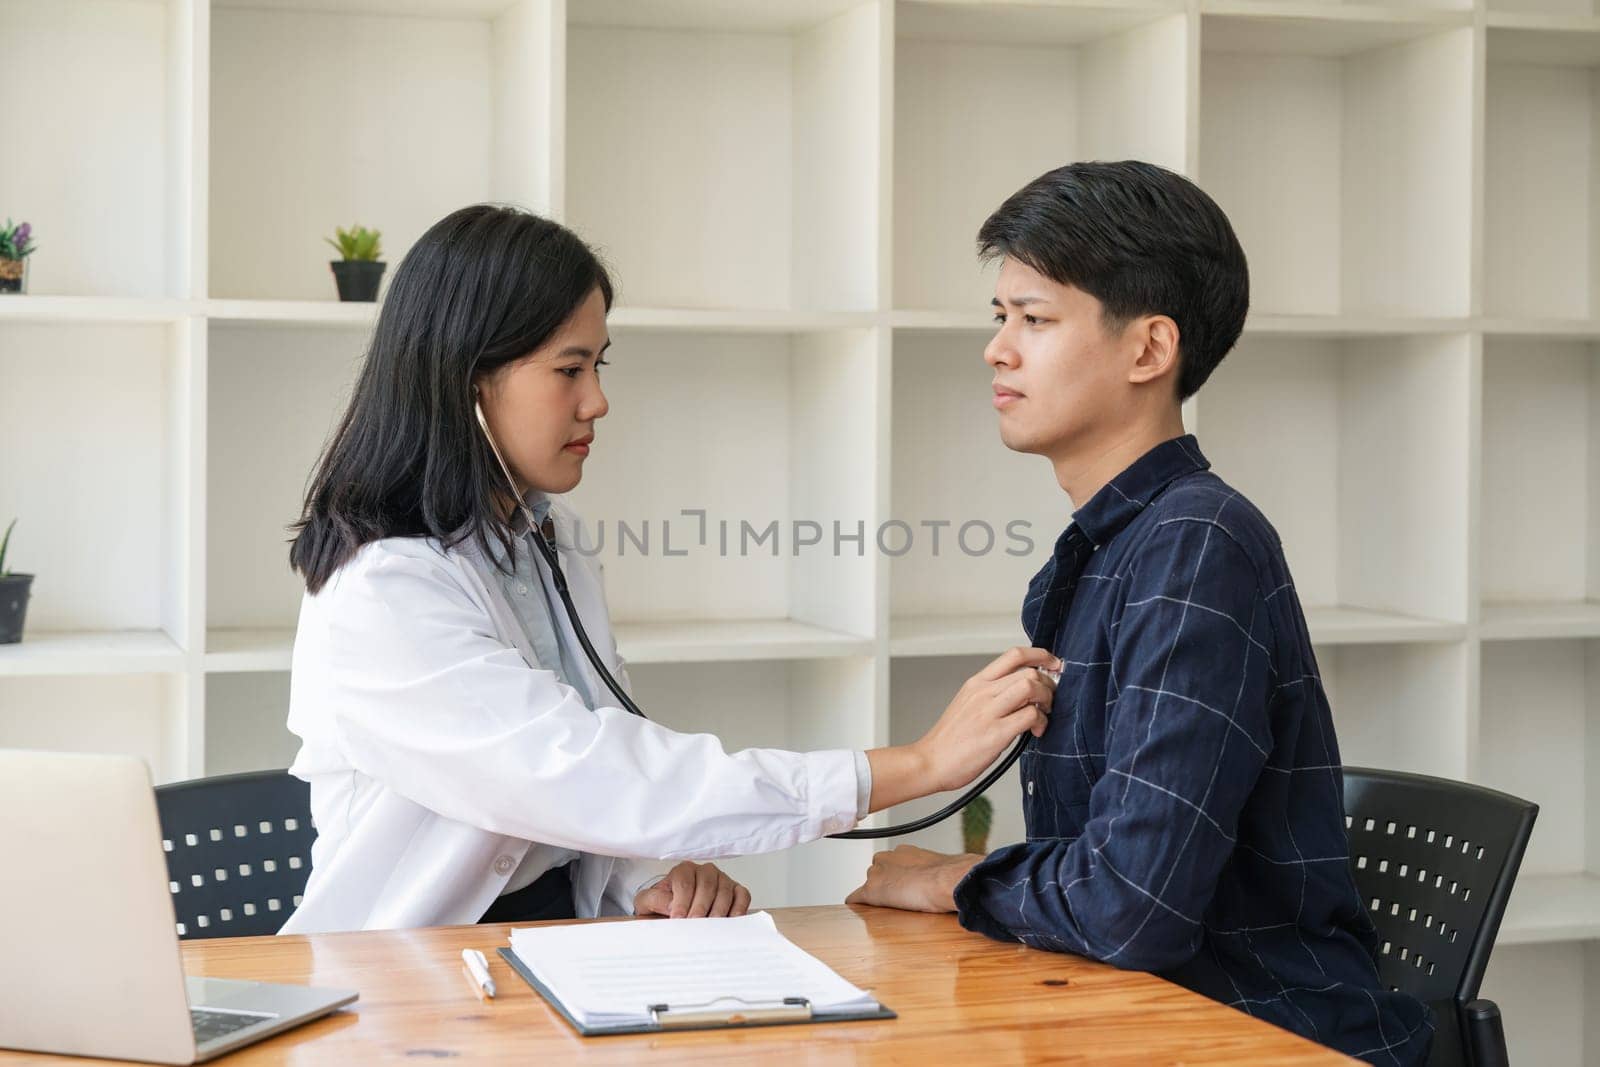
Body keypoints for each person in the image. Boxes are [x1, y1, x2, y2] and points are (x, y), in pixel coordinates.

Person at [278, 204, 1059, 933]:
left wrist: (645, 877)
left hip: (540, 943)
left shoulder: (551, 540)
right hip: (395, 977)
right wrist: (914, 764)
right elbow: (574, 774)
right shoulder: (381, 590)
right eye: (569, 369)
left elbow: (588, 769)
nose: (597, 402)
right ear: (470, 378)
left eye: (598, 366)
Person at [844, 162, 1433, 1066]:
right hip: (1138, 1016)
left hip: (1254, 1033)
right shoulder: (1103, 553)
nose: (998, 349)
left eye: (1034, 320)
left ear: (1149, 349)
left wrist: (948, 880)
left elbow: (1132, 907)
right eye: (999, 319)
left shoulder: (1198, 544)